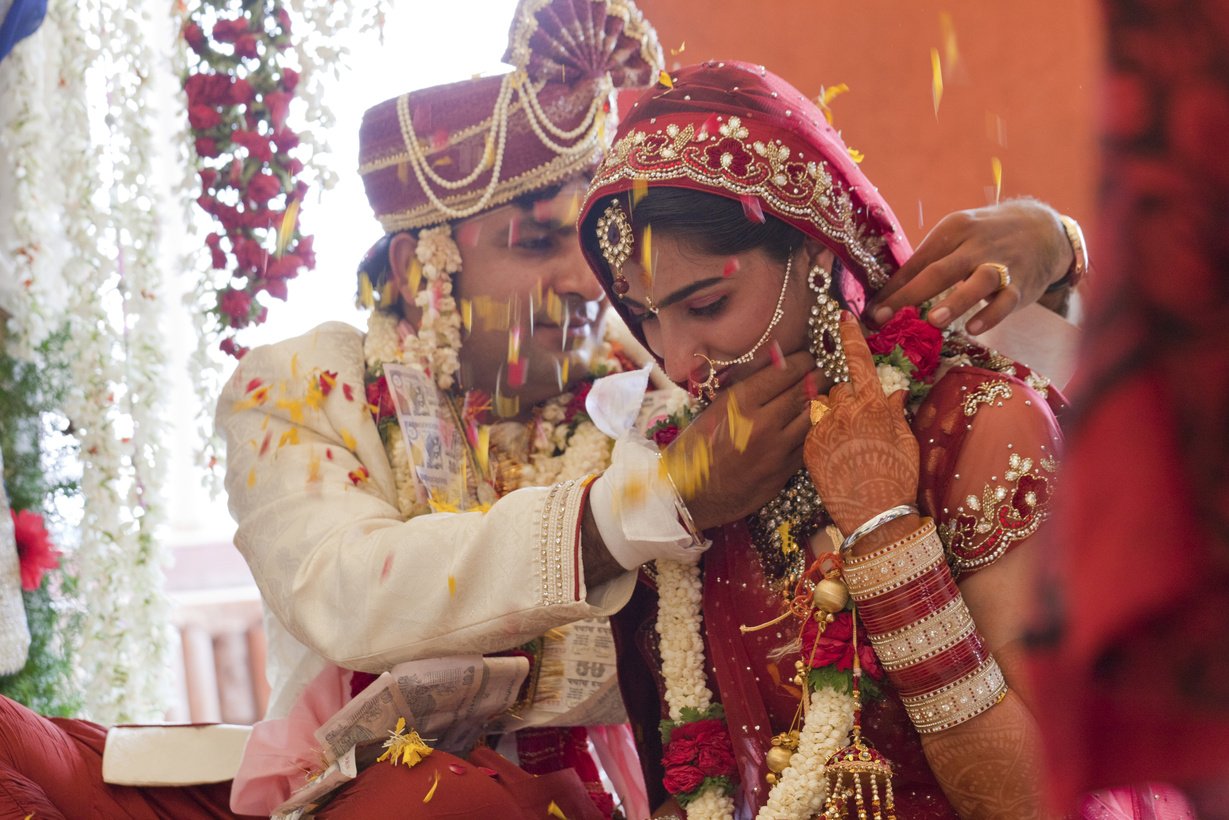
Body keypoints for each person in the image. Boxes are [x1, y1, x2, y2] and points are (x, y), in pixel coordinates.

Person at [0, 5, 1076, 818]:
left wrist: (1056, 248)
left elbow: (839, 289)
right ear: (426, 257)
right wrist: (642, 505)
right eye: (533, 241)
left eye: (586, 245)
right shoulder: (303, 386)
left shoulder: (641, 373)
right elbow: (344, 591)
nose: (585, 286)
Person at [576, 60, 1082, 818]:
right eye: (646, 318)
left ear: (814, 252)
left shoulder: (970, 428)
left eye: (707, 304)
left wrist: (884, 533)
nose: (677, 362)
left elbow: (1046, 801)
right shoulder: (689, 475)